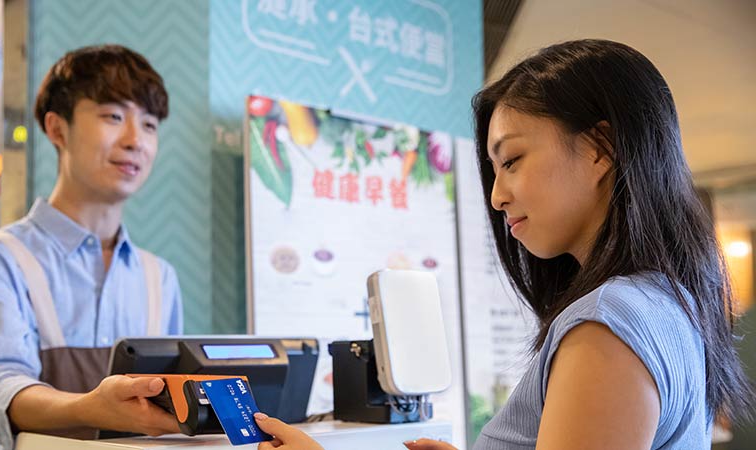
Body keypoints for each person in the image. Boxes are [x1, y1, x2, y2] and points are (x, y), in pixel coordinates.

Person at [251, 39, 753, 450]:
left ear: (602, 148)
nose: (496, 195)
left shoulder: (610, 324)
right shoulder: (667, 303)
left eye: (511, 161)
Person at [0, 44, 183, 449]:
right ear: (57, 129)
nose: (136, 140)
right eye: (113, 116)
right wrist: (91, 407)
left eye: (149, 124)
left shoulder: (159, 276)